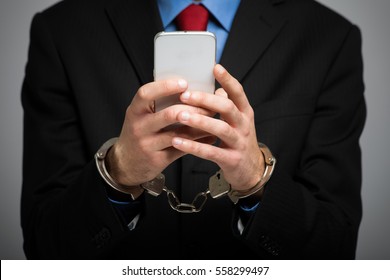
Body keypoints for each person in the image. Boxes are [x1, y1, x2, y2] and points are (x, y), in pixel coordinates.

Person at [21, 0, 366, 259]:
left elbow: (336, 249)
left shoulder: (329, 38)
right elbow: (42, 248)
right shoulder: (62, 30)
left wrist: (255, 179)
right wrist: (118, 172)